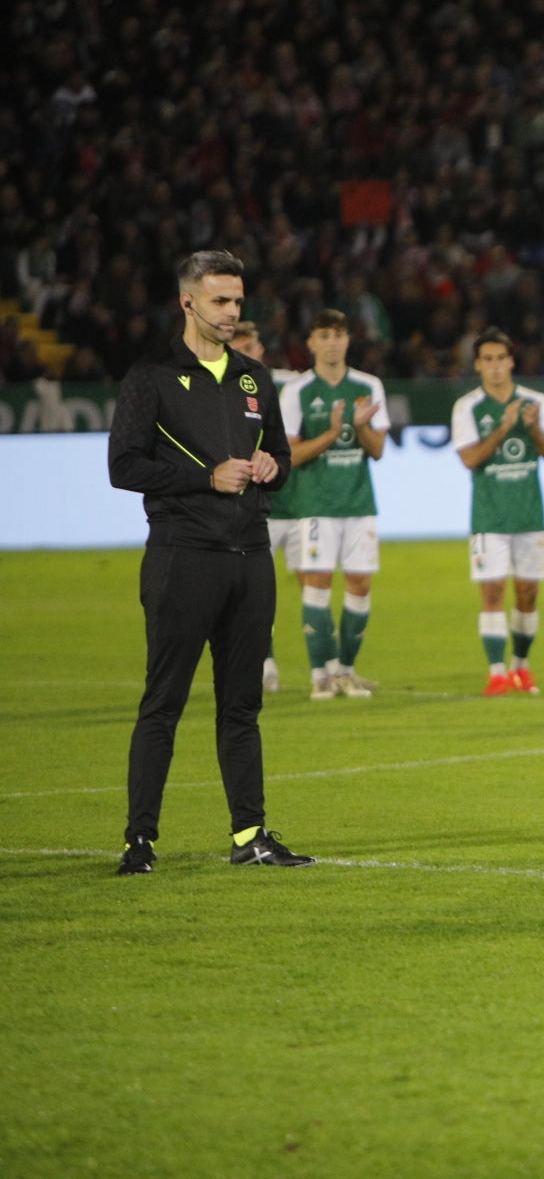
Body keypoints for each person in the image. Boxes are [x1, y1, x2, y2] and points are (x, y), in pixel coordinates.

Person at [105, 250, 314, 874]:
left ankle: (250, 834)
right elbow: (124, 467)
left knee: (242, 705)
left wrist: (273, 466)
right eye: (221, 301)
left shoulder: (254, 377)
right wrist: (205, 477)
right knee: (163, 702)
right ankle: (138, 841)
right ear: (188, 301)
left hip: (251, 557)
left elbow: (276, 453)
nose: (232, 313)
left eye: (238, 302)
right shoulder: (151, 376)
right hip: (183, 558)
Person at [279, 310, 390, 700]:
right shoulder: (297, 391)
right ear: (311, 343)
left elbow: (377, 451)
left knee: (360, 583)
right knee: (318, 582)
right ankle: (319, 675)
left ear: (347, 341)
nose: (332, 342)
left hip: (359, 502)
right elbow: (290, 455)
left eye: (338, 335)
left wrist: (359, 426)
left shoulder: (368, 385)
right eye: (323, 335)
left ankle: (345, 671)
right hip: (316, 504)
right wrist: (331, 433)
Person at [451, 331, 544, 695]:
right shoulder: (468, 407)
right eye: (488, 359)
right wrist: (503, 428)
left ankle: (521, 667)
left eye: (501, 358)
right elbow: (470, 460)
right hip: (489, 517)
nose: (495, 366)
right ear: (478, 365)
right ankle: (497, 673)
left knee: (528, 593)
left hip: (528, 515)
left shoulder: (536, 402)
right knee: (493, 590)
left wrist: (530, 428)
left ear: (512, 361)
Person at [229, 321, 302, 694]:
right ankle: (265, 661)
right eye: (239, 344)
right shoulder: (221, 390)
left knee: (315, 585)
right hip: (259, 509)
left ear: (260, 349)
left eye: (252, 344)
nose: (247, 350)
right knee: (258, 591)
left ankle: (328, 667)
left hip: (300, 504)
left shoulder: (291, 385)